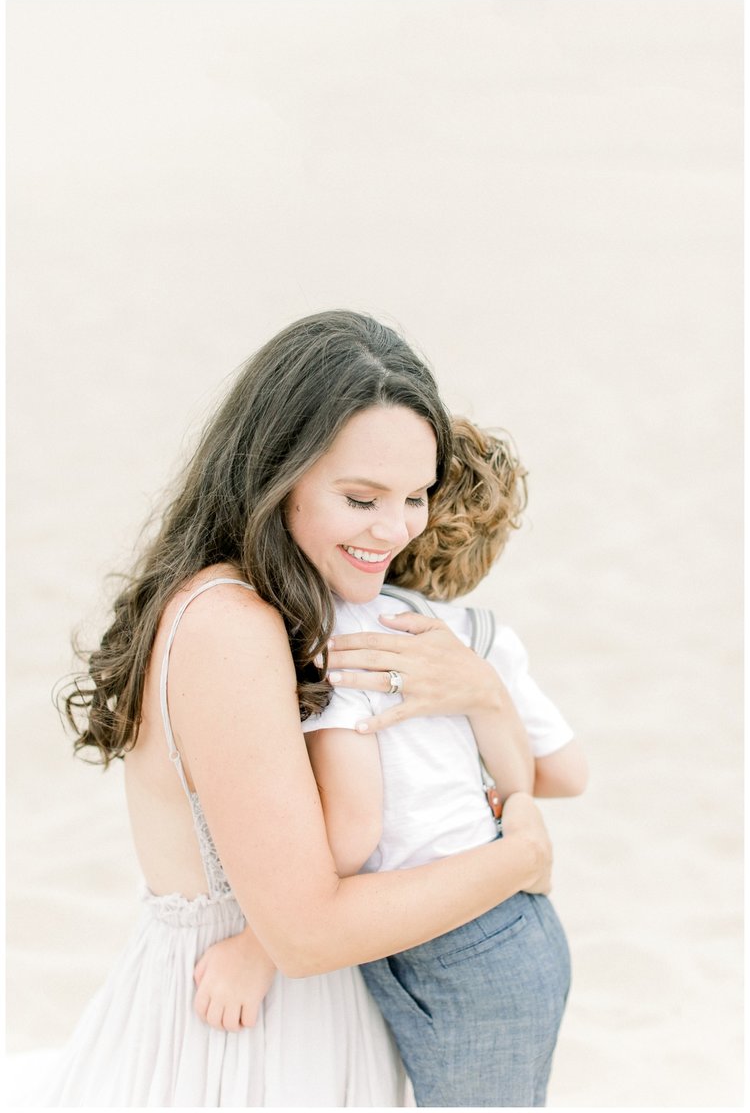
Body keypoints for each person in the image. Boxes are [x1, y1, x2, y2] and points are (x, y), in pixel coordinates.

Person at [15, 311, 554, 1108]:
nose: (396, 530)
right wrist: (519, 860)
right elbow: (304, 930)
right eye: (360, 496)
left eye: (415, 496)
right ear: (278, 472)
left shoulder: (283, 605)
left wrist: (484, 697)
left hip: (290, 1019)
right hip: (238, 1046)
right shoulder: (232, 626)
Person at [192, 416, 586, 1106]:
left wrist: (258, 948)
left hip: (457, 946)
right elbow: (570, 772)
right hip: (511, 928)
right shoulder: (475, 631)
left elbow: (354, 826)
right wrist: (502, 784)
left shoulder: (344, 635)